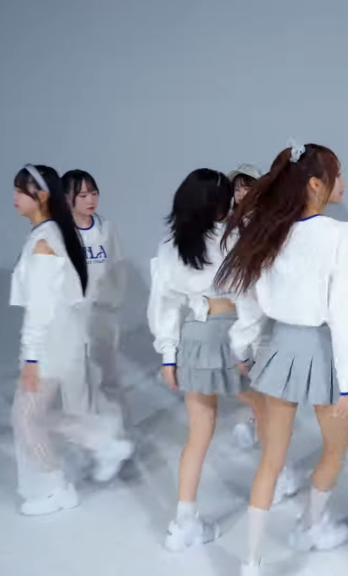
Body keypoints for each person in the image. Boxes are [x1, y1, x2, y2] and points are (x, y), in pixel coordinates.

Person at [215, 142, 348, 575]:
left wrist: (243, 347)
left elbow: (250, 300)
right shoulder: (341, 235)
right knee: (335, 449)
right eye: (338, 173)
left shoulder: (270, 230)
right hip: (322, 349)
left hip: (278, 350)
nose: (344, 182)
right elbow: (343, 312)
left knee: (271, 459)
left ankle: (251, 560)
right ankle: (311, 526)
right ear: (316, 184)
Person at [147, 168, 298, 552]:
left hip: (193, 338)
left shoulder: (170, 245)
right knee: (264, 410)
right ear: (219, 204)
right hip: (229, 334)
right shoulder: (232, 240)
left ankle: (183, 523)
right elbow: (248, 301)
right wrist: (245, 347)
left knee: (198, 432)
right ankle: (278, 477)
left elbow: (163, 305)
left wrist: (168, 355)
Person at [8, 164, 133, 516]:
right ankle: (101, 441)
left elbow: (40, 309)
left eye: (20, 190)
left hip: (51, 342)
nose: (14, 197)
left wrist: (31, 358)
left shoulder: (46, 242)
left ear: (41, 196)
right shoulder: (55, 234)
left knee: (26, 417)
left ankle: (58, 486)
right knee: (33, 415)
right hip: (62, 337)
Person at [62, 169, 131, 478]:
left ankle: (119, 440)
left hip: (101, 315)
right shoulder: (58, 234)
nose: (90, 199)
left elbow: (118, 268)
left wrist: (112, 301)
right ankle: (93, 444)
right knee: (75, 384)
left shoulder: (105, 228)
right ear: (67, 198)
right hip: (71, 318)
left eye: (93, 193)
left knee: (107, 377)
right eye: (82, 194)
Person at [224, 163, 266, 450]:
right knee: (242, 368)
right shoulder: (228, 223)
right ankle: (254, 420)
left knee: (259, 364)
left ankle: (259, 425)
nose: (241, 193)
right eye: (237, 188)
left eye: (246, 187)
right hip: (235, 301)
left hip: (261, 300)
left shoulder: (268, 221)